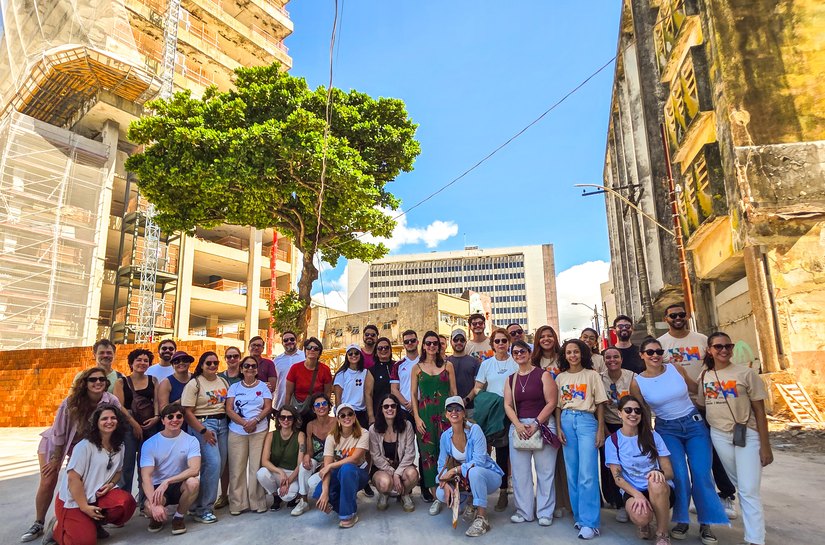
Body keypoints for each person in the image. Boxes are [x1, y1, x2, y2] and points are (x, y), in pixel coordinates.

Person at [630, 337, 728, 544]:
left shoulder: (675, 369)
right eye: (650, 352)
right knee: (679, 476)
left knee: (701, 474)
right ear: (642, 355)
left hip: (694, 425)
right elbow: (642, 413)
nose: (655, 355)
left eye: (658, 351)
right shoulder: (637, 382)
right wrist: (644, 438)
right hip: (667, 430)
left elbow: (696, 389)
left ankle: (706, 523)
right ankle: (682, 520)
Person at [22, 368, 122, 543]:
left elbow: (119, 417)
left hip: (86, 446)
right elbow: (59, 434)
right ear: (85, 383)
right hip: (57, 444)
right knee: (49, 479)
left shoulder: (110, 400)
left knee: (92, 481)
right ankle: (40, 522)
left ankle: (91, 520)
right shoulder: (71, 402)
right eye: (93, 379)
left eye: (101, 379)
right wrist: (55, 459)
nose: (97, 382)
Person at [658, 304, 737, 519]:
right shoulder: (662, 344)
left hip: (706, 403)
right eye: (673, 315)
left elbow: (715, 366)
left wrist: (700, 388)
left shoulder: (702, 339)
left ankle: (726, 495)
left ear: (687, 316)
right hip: (677, 408)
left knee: (713, 454)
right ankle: (690, 500)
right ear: (666, 318)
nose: (678, 318)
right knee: (681, 463)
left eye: (681, 315)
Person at [698, 332, 772, 545]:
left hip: (746, 433)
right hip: (719, 435)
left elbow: (760, 412)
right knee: (740, 483)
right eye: (718, 347)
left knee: (749, 489)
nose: (724, 350)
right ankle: (753, 530)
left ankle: (755, 539)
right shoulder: (705, 376)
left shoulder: (746, 373)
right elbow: (702, 403)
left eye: (727, 346)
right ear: (709, 350)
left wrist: (765, 446)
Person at [42, 404, 136, 545]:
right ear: (96, 423)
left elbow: (118, 471)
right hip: (73, 501)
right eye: (104, 419)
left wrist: (111, 484)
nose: (109, 421)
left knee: (125, 504)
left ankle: (93, 523)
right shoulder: (85, 446)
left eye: (113, 418)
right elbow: (73, 479)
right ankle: (57, 528)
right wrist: (85, 507)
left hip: (97, 496)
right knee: (84, 542)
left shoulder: (119, 445)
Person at [554, 338, 608, 540]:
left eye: (576, 352)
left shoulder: (592, 375)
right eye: (569, 352)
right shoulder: (560, 378)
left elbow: (601, 403)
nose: (572, 356)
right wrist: (559, 427)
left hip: (587, 422)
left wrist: (600, 429)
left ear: (582, 353)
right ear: (564, 356)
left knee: (588, 473)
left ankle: (590, 522)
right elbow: (558, 406)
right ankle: (579, 516)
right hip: (567, 422)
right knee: (572, 472)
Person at [605, 395, 676, 545]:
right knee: (642, 516)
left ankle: (662, 533)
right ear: (619, 413)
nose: (633, 414)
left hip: (659, 490)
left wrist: (660, 473)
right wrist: (638, 495)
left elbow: (669, 471)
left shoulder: (653, 436)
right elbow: (618, 478)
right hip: (633, 490)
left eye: (637, 411)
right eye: (628, 410)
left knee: (655, 482)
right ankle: (644, 524)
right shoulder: (613, 441)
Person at [503, 340, 559, 526]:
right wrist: (518, 424)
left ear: (529, 352)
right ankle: (524, 511)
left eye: (522, 351)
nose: (519, 355)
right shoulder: (511, 379)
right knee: (520, 473)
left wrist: (536, 423)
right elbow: (508, 405)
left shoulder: (543, 375)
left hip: (542, 425)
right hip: (519, 427)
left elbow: (551, 402)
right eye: (515, 352)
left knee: (545, 472)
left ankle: (545, 512)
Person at [435, 396, 504, 537]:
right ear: (446, 414)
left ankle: (482, 518)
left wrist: (455, 470)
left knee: (474, 472)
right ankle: (470, 503)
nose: (454, 412)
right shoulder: (445, 437)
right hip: (464, 481)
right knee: (441, 493)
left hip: (487, 476)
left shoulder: (474, 430)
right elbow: (441, 465)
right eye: (450, 409)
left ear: (464, 412)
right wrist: (444, 481)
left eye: (458, 408)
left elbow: (479, 461)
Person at [467, 328, 516, 513]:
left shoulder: (515, 363)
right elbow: (478, 388)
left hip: (509, 414)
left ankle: (503, 491)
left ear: (509, 342)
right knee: (483, 452)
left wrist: (507, 402)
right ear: (492, 344)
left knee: (504, 454)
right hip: (490, 413)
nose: (501, 344)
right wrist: (492, 399)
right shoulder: (486, 365)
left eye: (504, 340)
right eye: (497, 341)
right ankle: (479, 492)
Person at [411, 330, 457, 515]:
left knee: (447, 455)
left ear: (439, 346)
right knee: (428, 456)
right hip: (425, 415)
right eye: (428, 343)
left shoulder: (448, 366)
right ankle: (437, 496)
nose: (431, 346)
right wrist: (416, 417)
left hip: (446, 415)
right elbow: (413, 395)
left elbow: (454, 391)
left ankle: (451, 491)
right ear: (423, 346)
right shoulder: (417, 368)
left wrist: (456, 416)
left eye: (435, 343)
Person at [180, 351, 229, 524]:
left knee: (219, 465)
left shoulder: (222, 381)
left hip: (222, 424)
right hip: (204, 425)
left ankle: (195, 505)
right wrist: (203, 431)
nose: (213, 366)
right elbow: (186, 412)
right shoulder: (194, 383)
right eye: (209, 363)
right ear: (202, 365)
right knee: (213, 464)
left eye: (216, 362)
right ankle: (203, 509)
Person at [140, 403, 201, 536]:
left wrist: (167, 481)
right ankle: (156, 517)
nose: (175, 419)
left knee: (193, 483)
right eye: (170, 417)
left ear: (183, 419)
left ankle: (178, 517)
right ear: (162, 420)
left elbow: (194, 469)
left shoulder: (191, 440)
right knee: (150, 508)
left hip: (179, 485)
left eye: (179, 416)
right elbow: (146, 477)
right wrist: (154, 505)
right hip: (158, 488)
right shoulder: (150, 443)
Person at [531, 325, 570, 519]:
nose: (546, 339)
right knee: (548, 464)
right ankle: (553, 504)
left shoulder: (563, 359)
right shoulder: (534, 361)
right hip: (544, 412)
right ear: (537, 340)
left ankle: (568, 502)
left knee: (565, 460)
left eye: (550, 336)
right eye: (542, 336)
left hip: (565, 409)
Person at [225, 355, 273, 515]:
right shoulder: (235, 387)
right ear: (241, 369)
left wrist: (255, 421)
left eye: (253, 366)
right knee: (236, 469)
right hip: (237, 431)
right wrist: (244, 423)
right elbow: (229, 409)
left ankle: (258, 502)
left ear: (257, 369)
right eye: (246, 366)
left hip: (259, 431)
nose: (250, 368)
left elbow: (268, 407)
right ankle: (237, 504)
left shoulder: (264, 387)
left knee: (256, 467)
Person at [311, 403, 370, 528]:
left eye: (349, 414)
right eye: (342, 415)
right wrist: (325, 491)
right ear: (338, 419)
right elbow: (327, 466)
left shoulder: (363, 433)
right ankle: (344, 506)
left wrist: (330, 466)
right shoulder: (331, 437)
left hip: (358, 474)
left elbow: (354, 459)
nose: (346, 417)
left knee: (347, 468)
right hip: (338, 474)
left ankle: (348, 514)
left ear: (354, 417)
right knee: (319, 493)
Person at [113, 349, 160, 503]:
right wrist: (134, 424)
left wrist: (156, 417)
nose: (142, 363)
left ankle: (144, 501)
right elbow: (119, 406)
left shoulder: (153, 380)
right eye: (138, 360)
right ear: (131, 363)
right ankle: (124, 502)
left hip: (149, 426)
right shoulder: (121, 382)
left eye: (145, 360)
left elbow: (157, 402)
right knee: (127, 465)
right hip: (128, 427)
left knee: (146, 465)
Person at [600, 346, 637, 521]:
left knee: (630, 464)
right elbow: (597, 406)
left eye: (616, 357)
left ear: (621, 359)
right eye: (608, 357)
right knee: (611, 467)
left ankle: (633, 498)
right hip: (609, 425)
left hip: (630, 426)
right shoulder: (600, 378)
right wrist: (605, 431)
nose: (612, 360)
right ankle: (617, 502)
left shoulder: (631, 377)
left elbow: (639, 403)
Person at [368, 393, 418, 512]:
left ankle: (404, 494)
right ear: (381, 409)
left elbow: (410, 453)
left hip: (402, 466)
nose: (389, 409)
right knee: (385, 483)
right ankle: (385, 494)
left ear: (397, 408)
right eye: (386, 406)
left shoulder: (407, 426)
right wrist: (392, 472)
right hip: (382, 468)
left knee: (413, 474)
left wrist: (397, 473)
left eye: (393, 406)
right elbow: (376, 457)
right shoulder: (373, 430)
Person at [291, 393, 336, 516]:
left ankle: (331, 496)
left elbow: (340, 448)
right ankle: (303, 501)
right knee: (304, 466)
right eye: (317, 405)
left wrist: (327, 464)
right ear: (313, 409)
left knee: (313, 482)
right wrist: (306, 456)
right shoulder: (310, 425)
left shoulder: (336, 422)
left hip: (333, 461)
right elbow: (310, 450)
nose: (321, 407)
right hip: (317, 459)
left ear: (329, 406)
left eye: (324, 404)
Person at [257, 405, 304, 512]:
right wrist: (280, 472)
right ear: (278, 419)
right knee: (261, 473)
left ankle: (292, 495)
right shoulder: (271, 435)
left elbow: (299, 464)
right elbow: (264, 461)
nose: (286, 420)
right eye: (282, 417)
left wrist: (288, 481)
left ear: (294, 419)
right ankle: (276, 497)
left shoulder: (300, 435)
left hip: (292, 474)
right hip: (277, 472)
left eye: (289, 417)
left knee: (287, 496)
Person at [285, 337, 332, 424]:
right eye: (309, 348)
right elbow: (288, 393)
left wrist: (325, 411)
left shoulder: (325, 370)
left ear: (319, 353)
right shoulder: (295, 368)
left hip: (317, 411)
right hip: (298, 410)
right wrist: (287, 412)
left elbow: (327, 393)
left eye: (316, 348)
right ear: (305, 351)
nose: (312, 350)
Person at [333, 344, 373, 429]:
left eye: (356, 353)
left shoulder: (365, 373)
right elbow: (338, 397)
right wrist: (339, 415)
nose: (353, 355)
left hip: (361, 413)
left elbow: (368, 395)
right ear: (347, 356)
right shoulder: (341, 374)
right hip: (346, 413)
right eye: (350, 354)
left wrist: (371, 416)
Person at [447, 329, 481, 419]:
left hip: (470, 408)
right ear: (451, 342)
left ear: (466, 342)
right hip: (451, 409)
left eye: (462, 340)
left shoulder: (474, 362)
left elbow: (477, 385)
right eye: (456, 340)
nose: (459, 342)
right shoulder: (445, 363)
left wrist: (466, 400)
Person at [365, 336, 394, 425]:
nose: (383, 350)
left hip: (396, 411)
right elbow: (368, 394)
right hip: (378, 412)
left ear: (390, 350)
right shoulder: (372, 370)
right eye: (380, 348)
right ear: (376, 352)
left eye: (386, 347)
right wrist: (371, 416)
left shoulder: (397, 366)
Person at [274, 331, 305, 410]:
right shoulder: (276, 361)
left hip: (302, 404)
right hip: (281, 402)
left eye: (292, 339)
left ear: (296, 341)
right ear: (282, 343)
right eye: (285, 340)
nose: (289, 342)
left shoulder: (305, 357)